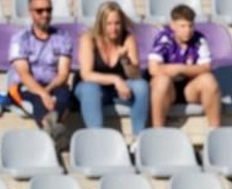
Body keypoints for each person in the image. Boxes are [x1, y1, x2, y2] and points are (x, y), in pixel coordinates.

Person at [75, 2, 150, 138]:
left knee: (142, 86)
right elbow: (86, 74)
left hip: (120, 91)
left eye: (117, 23)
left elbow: (136, 75)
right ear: (101, 23)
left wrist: (125, 60)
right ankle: (97, 138)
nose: (113, 28)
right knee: (89, 89)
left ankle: (138, 137)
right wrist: (116, 79)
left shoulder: (128, 38)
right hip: (94, 88)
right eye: (109, 23)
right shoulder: (88, 39)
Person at [8, 0, 75, 148]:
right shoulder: (20, 39)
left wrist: (48, 90)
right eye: (39, 11)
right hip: (25, 85)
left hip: (53, 83)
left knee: (65, 96)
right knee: (39, 101)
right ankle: (55, 137)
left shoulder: (62, 36)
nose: (45, 14)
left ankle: (49, 131)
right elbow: (24, 75)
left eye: (48, 10)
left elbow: (63, 73)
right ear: (31, 12)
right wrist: (44, 94)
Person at [147, 5, 222, 130]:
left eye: (190, 25)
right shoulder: (164, 39)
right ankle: (157, 131)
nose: (187, 30)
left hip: (189, 88)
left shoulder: (199, 39)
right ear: (173, 25)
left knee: (209, 80)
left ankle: (215, 131)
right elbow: (153, 69)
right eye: (183, 26)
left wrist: (179, 69)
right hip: (168, 90)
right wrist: (187, 70)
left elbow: (206, 67)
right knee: (161, 81)